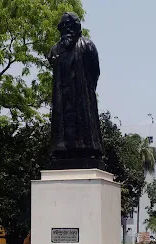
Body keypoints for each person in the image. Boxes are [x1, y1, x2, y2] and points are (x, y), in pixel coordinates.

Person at [48, 12, 103, 169]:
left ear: (77, 27)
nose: (67, 29)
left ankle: (87, 148)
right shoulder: (55, 50)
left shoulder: (88, 46)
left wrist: (86, 89)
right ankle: (61, 149)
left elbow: (95, 72)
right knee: (62, 127)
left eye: (70, 26)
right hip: (62, 98)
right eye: (63, 26)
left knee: (85, 125)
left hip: (82, 96)